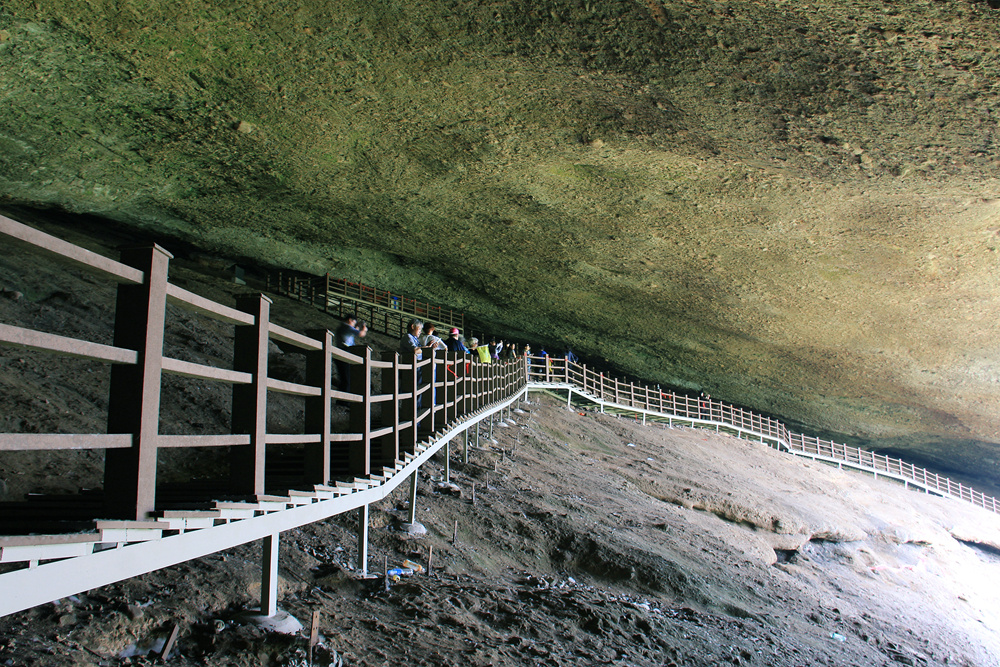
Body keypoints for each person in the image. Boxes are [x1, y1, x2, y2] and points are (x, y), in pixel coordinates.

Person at [334, 314, 360, 393]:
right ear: (350, 320)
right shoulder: (346, 327)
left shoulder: (342, 327)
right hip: (345, 352)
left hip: (341, 352)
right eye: (353, 323)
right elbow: (360, 333)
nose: (353, 325)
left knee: (344, 377)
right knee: (346, 377)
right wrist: (364, 329)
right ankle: (344, 400)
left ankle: (343, 399)